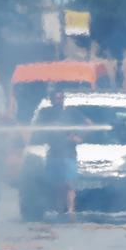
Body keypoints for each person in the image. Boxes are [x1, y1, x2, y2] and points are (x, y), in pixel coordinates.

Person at [34, 89, 90, 219]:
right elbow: (38, 128)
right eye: (56, 99)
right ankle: (60, 212)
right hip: (53, 153)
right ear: (51, 100)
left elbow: (88, 124)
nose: (59, 101)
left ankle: (71, 211)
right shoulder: (46, 113)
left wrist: (79, 137)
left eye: (61, 98)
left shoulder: (72, 112)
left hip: (69, 153)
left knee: (70, 184)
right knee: (57, 185)